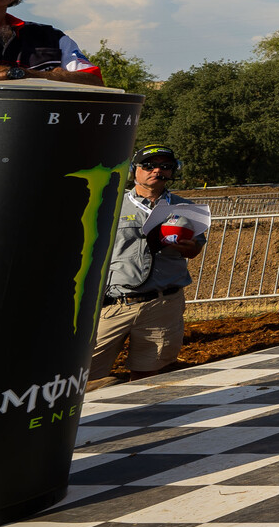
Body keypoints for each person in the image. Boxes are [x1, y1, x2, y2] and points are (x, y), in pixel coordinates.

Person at [87, 147, 208, 388]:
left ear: (172, 171)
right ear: (134, 170)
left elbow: (194, 251)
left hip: (162, 304)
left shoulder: (186, 208)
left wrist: (188, 246)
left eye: (165, 166)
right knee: (84, 373)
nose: (157, 170)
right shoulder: (109, 205)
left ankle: (139, 411)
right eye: (149, 165)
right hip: (115, 304)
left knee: (148, 376)